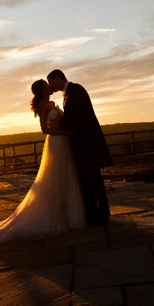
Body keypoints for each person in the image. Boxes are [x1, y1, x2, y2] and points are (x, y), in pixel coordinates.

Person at [0, 79, 85, 245]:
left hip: (63, 141)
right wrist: (65, 131)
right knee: (53, 177)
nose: (50, 86)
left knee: (65, 177)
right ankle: (53, 216)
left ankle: (68, 215)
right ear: (42, 89)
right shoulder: (42, 106)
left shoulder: (53, 102)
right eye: (47, 85)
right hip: (55, 142)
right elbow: (44, 129)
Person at [46, 69, 112, 225]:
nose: (51, 86)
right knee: (86, 179)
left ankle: (102, 213)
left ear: (57, 78)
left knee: (94, 178)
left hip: (87, 143)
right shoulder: (68, 94)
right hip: (81, 144)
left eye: (51, 82)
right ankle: (92, 212)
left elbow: (76, 115)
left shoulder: (77, 90)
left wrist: (58, 124)